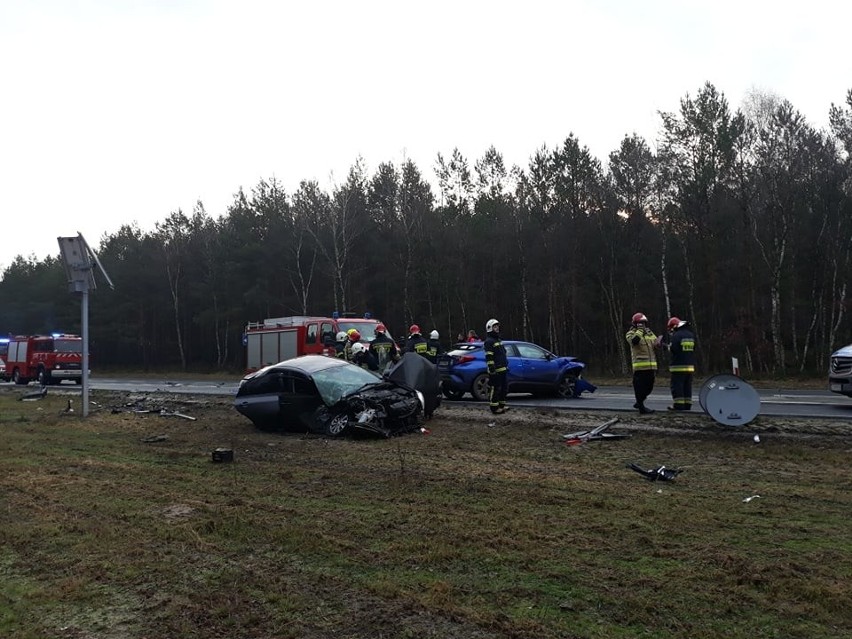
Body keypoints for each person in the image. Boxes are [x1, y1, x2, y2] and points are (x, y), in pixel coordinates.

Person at [625, 312, 659, 414]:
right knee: (639, 388)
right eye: (641, 323)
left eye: (644, 323)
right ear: (636, 323)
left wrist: (657, 341)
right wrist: (639, 331)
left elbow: (656, 343)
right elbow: (635, 341)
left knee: (649, 387)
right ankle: (641, 407)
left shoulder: (649, 333)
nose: (643, 325)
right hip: (640, 367)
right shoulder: (630, 334)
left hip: (651, 366)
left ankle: (639, 402)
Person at [666, 317, 696, 410]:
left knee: (677, 386)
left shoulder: (676, 336)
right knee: (687, 386)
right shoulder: (690, 335)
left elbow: (674, 349)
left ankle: (678, 405)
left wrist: (665, 346)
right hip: (690, 366)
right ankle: (687, 405)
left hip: (678, 366)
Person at [484, 318, 509, 414]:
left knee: (504, 388)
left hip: (503, 368)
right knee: (495, 388)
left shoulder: (498, 340)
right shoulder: (489, 341)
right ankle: (494, 408)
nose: (497, 328)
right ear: (490, 328)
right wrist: (492, 368)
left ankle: (501, 406)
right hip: (496, 370)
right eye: (495, 326)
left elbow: (502, 354)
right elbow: (489, 356)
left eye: (497, 326)